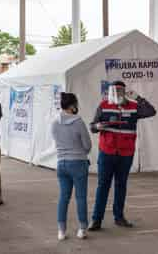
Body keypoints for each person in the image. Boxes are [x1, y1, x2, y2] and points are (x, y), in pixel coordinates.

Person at [88, 81, 156, 231]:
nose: (118, 93)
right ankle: (96, 220)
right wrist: (97, 126)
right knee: (103, 186)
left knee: (121, 185)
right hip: (107, 152)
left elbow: (151, 111)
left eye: (121, 91)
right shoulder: (104, 105)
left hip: (126, 153)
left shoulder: (133, 106)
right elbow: (92, 126)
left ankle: (119, 217)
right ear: (111, 91)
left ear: (125, 91)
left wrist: (138, 98)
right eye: (116, 91)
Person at [51, 92, 92, 241]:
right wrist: (81, 152)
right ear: (73, 105)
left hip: (61, 163)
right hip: (78, 162)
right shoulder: (78, 122)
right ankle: (82, 229)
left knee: (63, 197)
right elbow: (87, 145)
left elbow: (56, 142)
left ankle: (61, 231)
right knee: (80, 197)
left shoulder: (54, 122)